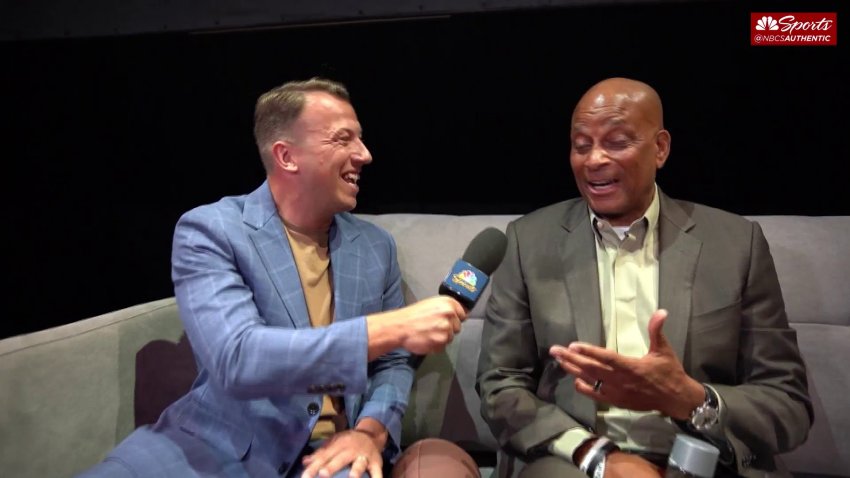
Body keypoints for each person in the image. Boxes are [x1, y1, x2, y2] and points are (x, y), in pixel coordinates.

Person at [79, 78, 477, 478]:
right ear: (287, 156)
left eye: (361, 138)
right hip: (210, 447)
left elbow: (394, 363)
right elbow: (236, 358)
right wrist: (391, 327)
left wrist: (369, 433)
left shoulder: (375, 247)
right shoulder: (210, 231)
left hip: (326, 458)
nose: (365, 154)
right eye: (344, 139)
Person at [476, 77, 812, 478]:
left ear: (660, 148)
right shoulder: (528, 241)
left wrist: (691, 399)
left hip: (706, 460)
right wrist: (598, 456)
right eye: (581, 145)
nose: (594, 159)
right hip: (575, 462)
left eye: (617, 142)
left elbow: (788, 404)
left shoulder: (737, 244)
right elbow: (500, 385)